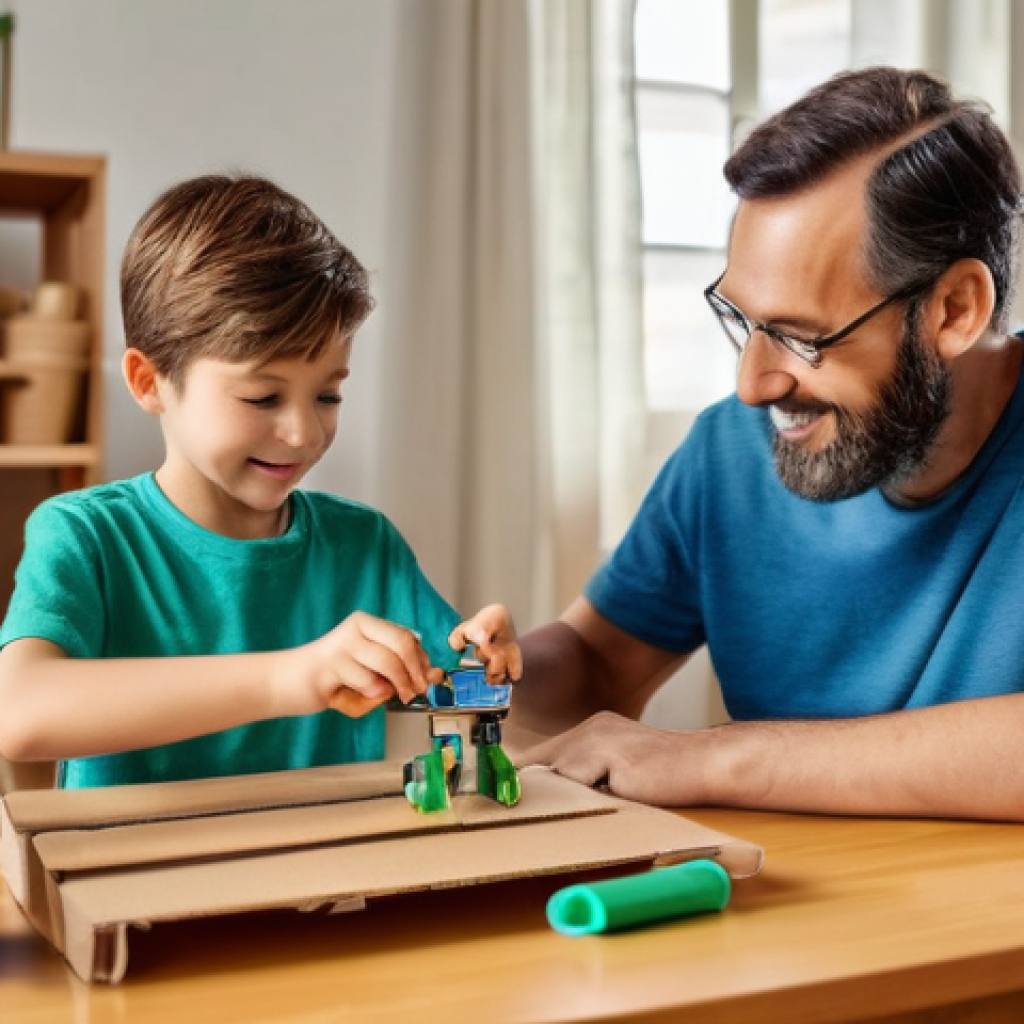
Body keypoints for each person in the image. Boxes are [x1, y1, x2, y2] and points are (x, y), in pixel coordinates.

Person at [511, 66, 1024, 821]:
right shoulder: (729, 452)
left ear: (954, 309)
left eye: (799, 337)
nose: (753, 384)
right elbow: (597, 662)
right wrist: (464, 678)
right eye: (743, 321)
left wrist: (714, 755)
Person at [0, 174, 520, 789]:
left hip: (321, 877)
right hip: (137, 880)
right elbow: (22, 713)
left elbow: (448, 687)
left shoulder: (364, 545)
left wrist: (487, 659)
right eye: (261, 396)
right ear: (149, 381)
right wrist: (289, 678)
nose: (303, 432)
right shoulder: (87, 535)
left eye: (328, 393)